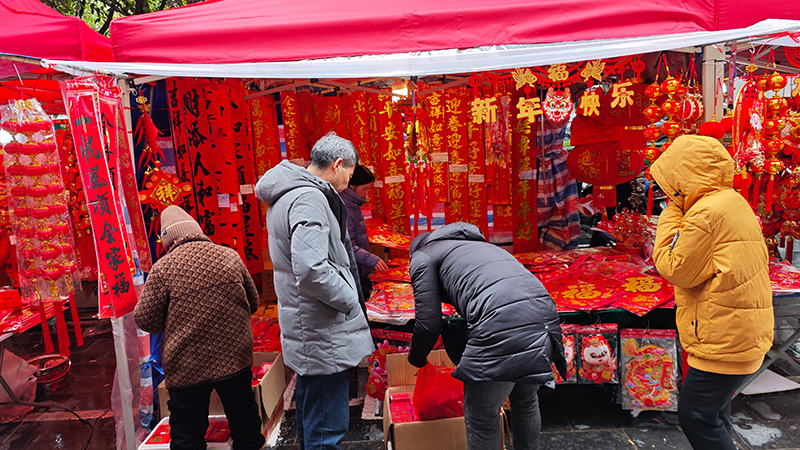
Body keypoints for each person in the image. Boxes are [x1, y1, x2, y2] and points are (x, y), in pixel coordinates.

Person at [650, 135, 773, 450]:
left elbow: (675, 267)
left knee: (697, 417)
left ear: (683, 178)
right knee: (715, 416)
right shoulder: (729, 200)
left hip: (725, 335)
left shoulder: (706, 212)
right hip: (737, 329)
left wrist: (672, 213)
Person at [255, 133, 374, 450]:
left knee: (313, 414)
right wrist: (350, 298)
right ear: (337, 165)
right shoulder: (310, 198)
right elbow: (312, 269)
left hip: (310, 325)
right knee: (327, 426)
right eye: (350, 173)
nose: (349, 181)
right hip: (323, 329)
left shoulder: (288, 194)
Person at [407, 222, 566, 450]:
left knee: (482, 417)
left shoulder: (422, 256)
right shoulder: (486, 249)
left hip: (503, 328)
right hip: (545, 322)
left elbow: (428, 324)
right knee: (526, 400)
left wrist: (416, 359)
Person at [134, 205, 265, 450]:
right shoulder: (229, 256)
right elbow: (253, 302)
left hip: (187, 366)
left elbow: (145, 320)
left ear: (167, 239)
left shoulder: (163, 269)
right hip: (234, 358)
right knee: (246, 423)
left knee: (187, 435)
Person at [340, 165, 389, 297]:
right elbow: (348, 246)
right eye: (364, 189)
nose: (366, 193)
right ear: (352, 186)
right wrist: (372, 259)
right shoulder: (346, 209)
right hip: (353, 273)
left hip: (360, 270)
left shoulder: (353, 205)